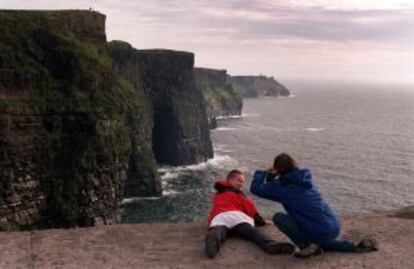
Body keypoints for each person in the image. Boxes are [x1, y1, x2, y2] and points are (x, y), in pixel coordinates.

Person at [250, 153, 378, 258]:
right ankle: (354, 247)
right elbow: (274, 187)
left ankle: (307, 248)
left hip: (319, 230)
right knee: (323, 241)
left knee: (279, 217)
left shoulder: (283, 187)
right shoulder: (304, 179)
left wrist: (263, 173)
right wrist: (273, 176)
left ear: (278, 169)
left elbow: (256, 188)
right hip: (333, 226)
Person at [205, 169, 295, 259]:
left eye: (242, 182)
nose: (241, 184)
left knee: (217, 231)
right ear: (230, 180)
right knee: (254, 233)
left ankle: (212, 243)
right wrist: (262, 221)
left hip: (220, 217)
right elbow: (250, 208)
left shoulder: (218, 194)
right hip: (237, 217)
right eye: (239, 180)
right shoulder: (238, 194)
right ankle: (270, 244)